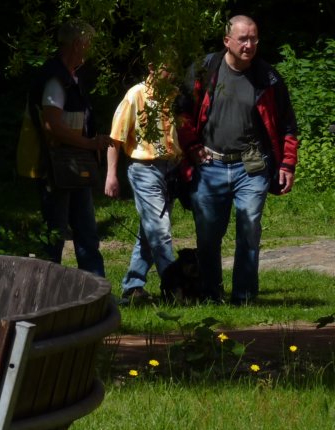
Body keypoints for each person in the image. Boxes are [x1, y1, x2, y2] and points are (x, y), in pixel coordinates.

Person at [177, 15, 299, 305]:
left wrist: (287, 165)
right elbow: (182, 113)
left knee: (249, 228)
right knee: (208, 235)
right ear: (227, 41)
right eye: (243, 39)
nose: (249, 45)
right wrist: (192, 146)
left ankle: (244, 296)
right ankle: (211, 293)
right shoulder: (204, 70)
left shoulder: (268, 78)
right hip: (210, 164)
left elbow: (288, 125)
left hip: (252, 166)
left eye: (254, 38)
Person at [25, 19, 112, 277]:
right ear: (77, 43)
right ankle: (46, 288)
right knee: (55, 235)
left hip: (73, 166)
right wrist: (89, 143)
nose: (90, 48)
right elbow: (52, 125)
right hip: (56, 168)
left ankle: (97, 289)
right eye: (88, 43)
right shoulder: (55, 79)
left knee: (87, 233)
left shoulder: (71, 77)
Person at [105, 64, 183, 304]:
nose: (172, 73)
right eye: (167, 67)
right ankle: (175, 288)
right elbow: (115, 138)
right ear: (151, 67)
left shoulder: (175, 95)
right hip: (144, 169)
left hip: (171, 169)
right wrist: (111, 175)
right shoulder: (135, 94)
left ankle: (133, 286)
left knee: (150, 232)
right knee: (160, 230)